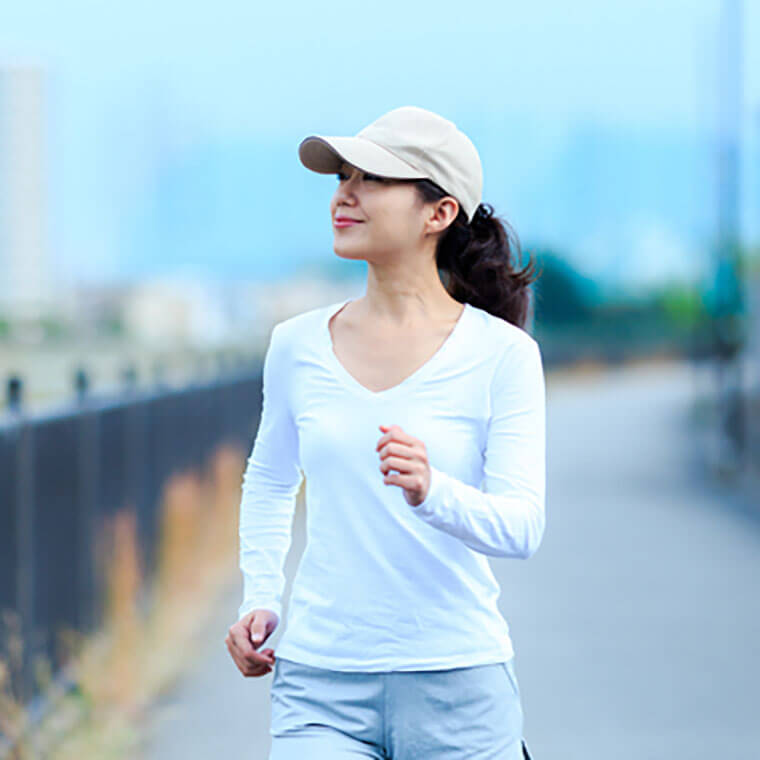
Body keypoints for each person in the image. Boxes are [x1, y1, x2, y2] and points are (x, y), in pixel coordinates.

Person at [225, 105, 544, 760]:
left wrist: (434, 492)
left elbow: (522, 528)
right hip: (318, 685)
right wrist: (261, 596)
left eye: (372, 178)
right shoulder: (295, 345)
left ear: (440, 213)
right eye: (343, 176)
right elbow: (270, 480)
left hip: (460, 686)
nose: (345, 193)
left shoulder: (503, 356)